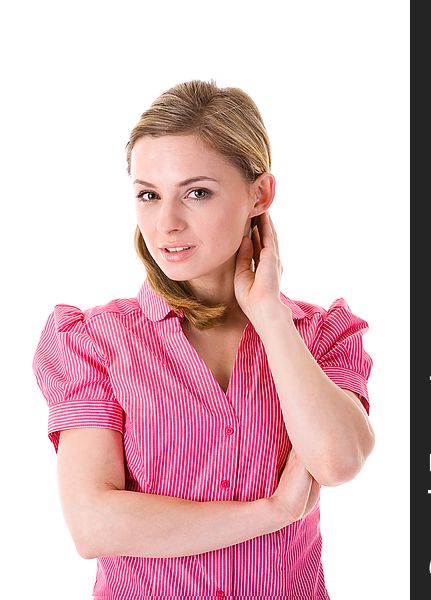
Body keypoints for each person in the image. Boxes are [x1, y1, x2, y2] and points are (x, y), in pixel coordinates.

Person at [32, 78, 375, 599]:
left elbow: (338, 460)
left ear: (260, 193)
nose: (166, 222)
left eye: (196, 192)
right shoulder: (94, 342)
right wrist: (272, 512)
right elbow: (94, 524)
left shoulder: (317, 335)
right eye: (149, 195)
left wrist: (268, 313)